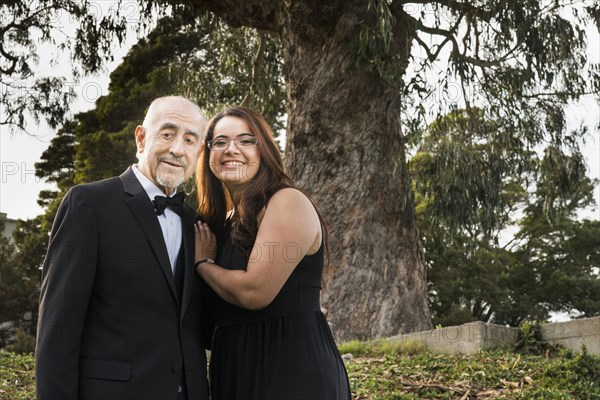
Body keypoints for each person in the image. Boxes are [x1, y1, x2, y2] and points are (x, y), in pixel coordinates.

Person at [35, 96, 210, 400]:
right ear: (141, 138)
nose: (177, 149)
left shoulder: (196, 223)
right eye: (167, 134)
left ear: (199, 152)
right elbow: (57, 328)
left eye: (190, 139)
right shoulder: (88, 204)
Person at [194, 106, 351, 399]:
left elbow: (255, 291)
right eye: (220, 142)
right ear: (208, 153)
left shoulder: (286, 201)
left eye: (245, 140)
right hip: (233, 373)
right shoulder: (219, 225)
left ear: (264, 150)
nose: (231, 150)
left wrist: (204, 264)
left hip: (291, 372)